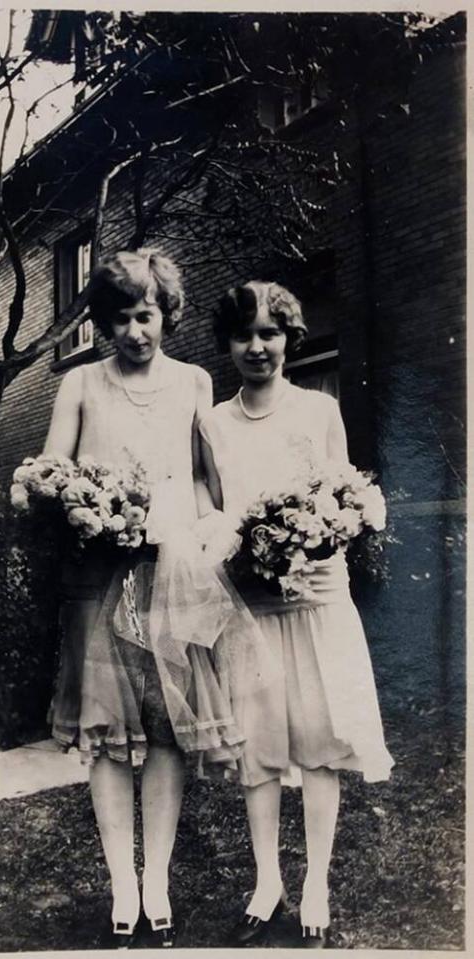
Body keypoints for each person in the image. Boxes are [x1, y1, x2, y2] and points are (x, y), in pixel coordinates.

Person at [43, 248, 245, 948]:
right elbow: (53, 471)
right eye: (122, 317)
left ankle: (154, 875)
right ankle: (120, 885)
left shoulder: (194, 381)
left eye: (147, 315)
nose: (135, 331)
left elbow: (200, 479)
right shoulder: (79, 385)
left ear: (168, 315)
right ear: (104, 321)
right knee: (105, 735)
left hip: (171, 573)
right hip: (97, 576)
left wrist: (196, 529)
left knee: (166, 730)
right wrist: (85, 502)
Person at [199, 280, 394, 948]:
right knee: (257, 746)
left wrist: (323, 531)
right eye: (245, 334)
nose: (258, 346)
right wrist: (231, 540)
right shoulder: (214, 423)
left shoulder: (318, 410)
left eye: (270, 332)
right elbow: (215, 510)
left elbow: (345, 495)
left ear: (290, 337)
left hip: (315, 595)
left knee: (318, 739)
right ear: (228, 343)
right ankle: (267, 880)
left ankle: (314, 880)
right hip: (252, 603)